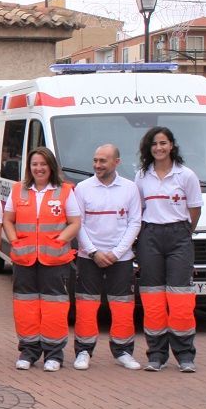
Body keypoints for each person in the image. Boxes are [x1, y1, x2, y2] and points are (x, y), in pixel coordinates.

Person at [3, 146, 81, 372]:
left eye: (43, 164)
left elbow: (75, 222)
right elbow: (8, 220)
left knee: (54, 308)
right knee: (25, 306)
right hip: (24, 259)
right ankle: (28, 351)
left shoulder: (65, 191)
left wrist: (60, 240)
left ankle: (54, 354)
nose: (39, 168)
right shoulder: (18, 190)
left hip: (55, 260)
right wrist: (14, 240)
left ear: (51, 167)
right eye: (34, 164)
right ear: (29, 167)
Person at [135, 127, 203, 373]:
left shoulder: (186, 176)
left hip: (179, 236)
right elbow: (138, 209)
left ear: (172, 145)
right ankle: (156, 355)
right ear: (149, 148)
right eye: (154, 144)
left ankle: (185, 355)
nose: (159, 148)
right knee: (152, 298)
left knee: (180, 298)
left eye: (163, 143)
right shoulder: (142, 176)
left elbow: (194, 210)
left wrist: (183, 232)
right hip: (150, 235)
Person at [73, 144, 143, 371]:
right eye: (95, 160)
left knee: (122, 306)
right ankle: (83, 350)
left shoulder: (130, 188)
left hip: (120, 258)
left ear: (116, 162)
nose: (97, 165)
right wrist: (93, 251)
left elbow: (134, 223)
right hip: (88, 256)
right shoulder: (82, 188)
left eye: (103, 160)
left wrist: (116, 253)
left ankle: (123, 351)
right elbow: (78, 223)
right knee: (85, 305)